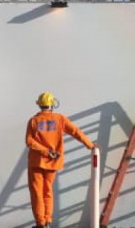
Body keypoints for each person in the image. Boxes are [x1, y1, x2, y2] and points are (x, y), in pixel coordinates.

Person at [25, 92, 95, 228]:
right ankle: (48, 221)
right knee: (47, 191)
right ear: (52, 104)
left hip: (36, 162)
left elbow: (29, 141)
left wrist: (45, 151)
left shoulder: (33, 121)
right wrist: (90, 145)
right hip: (52, 163)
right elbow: (76, 131)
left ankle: (41, 223)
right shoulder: (59, 119)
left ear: (39, 105)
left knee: (37, 193)